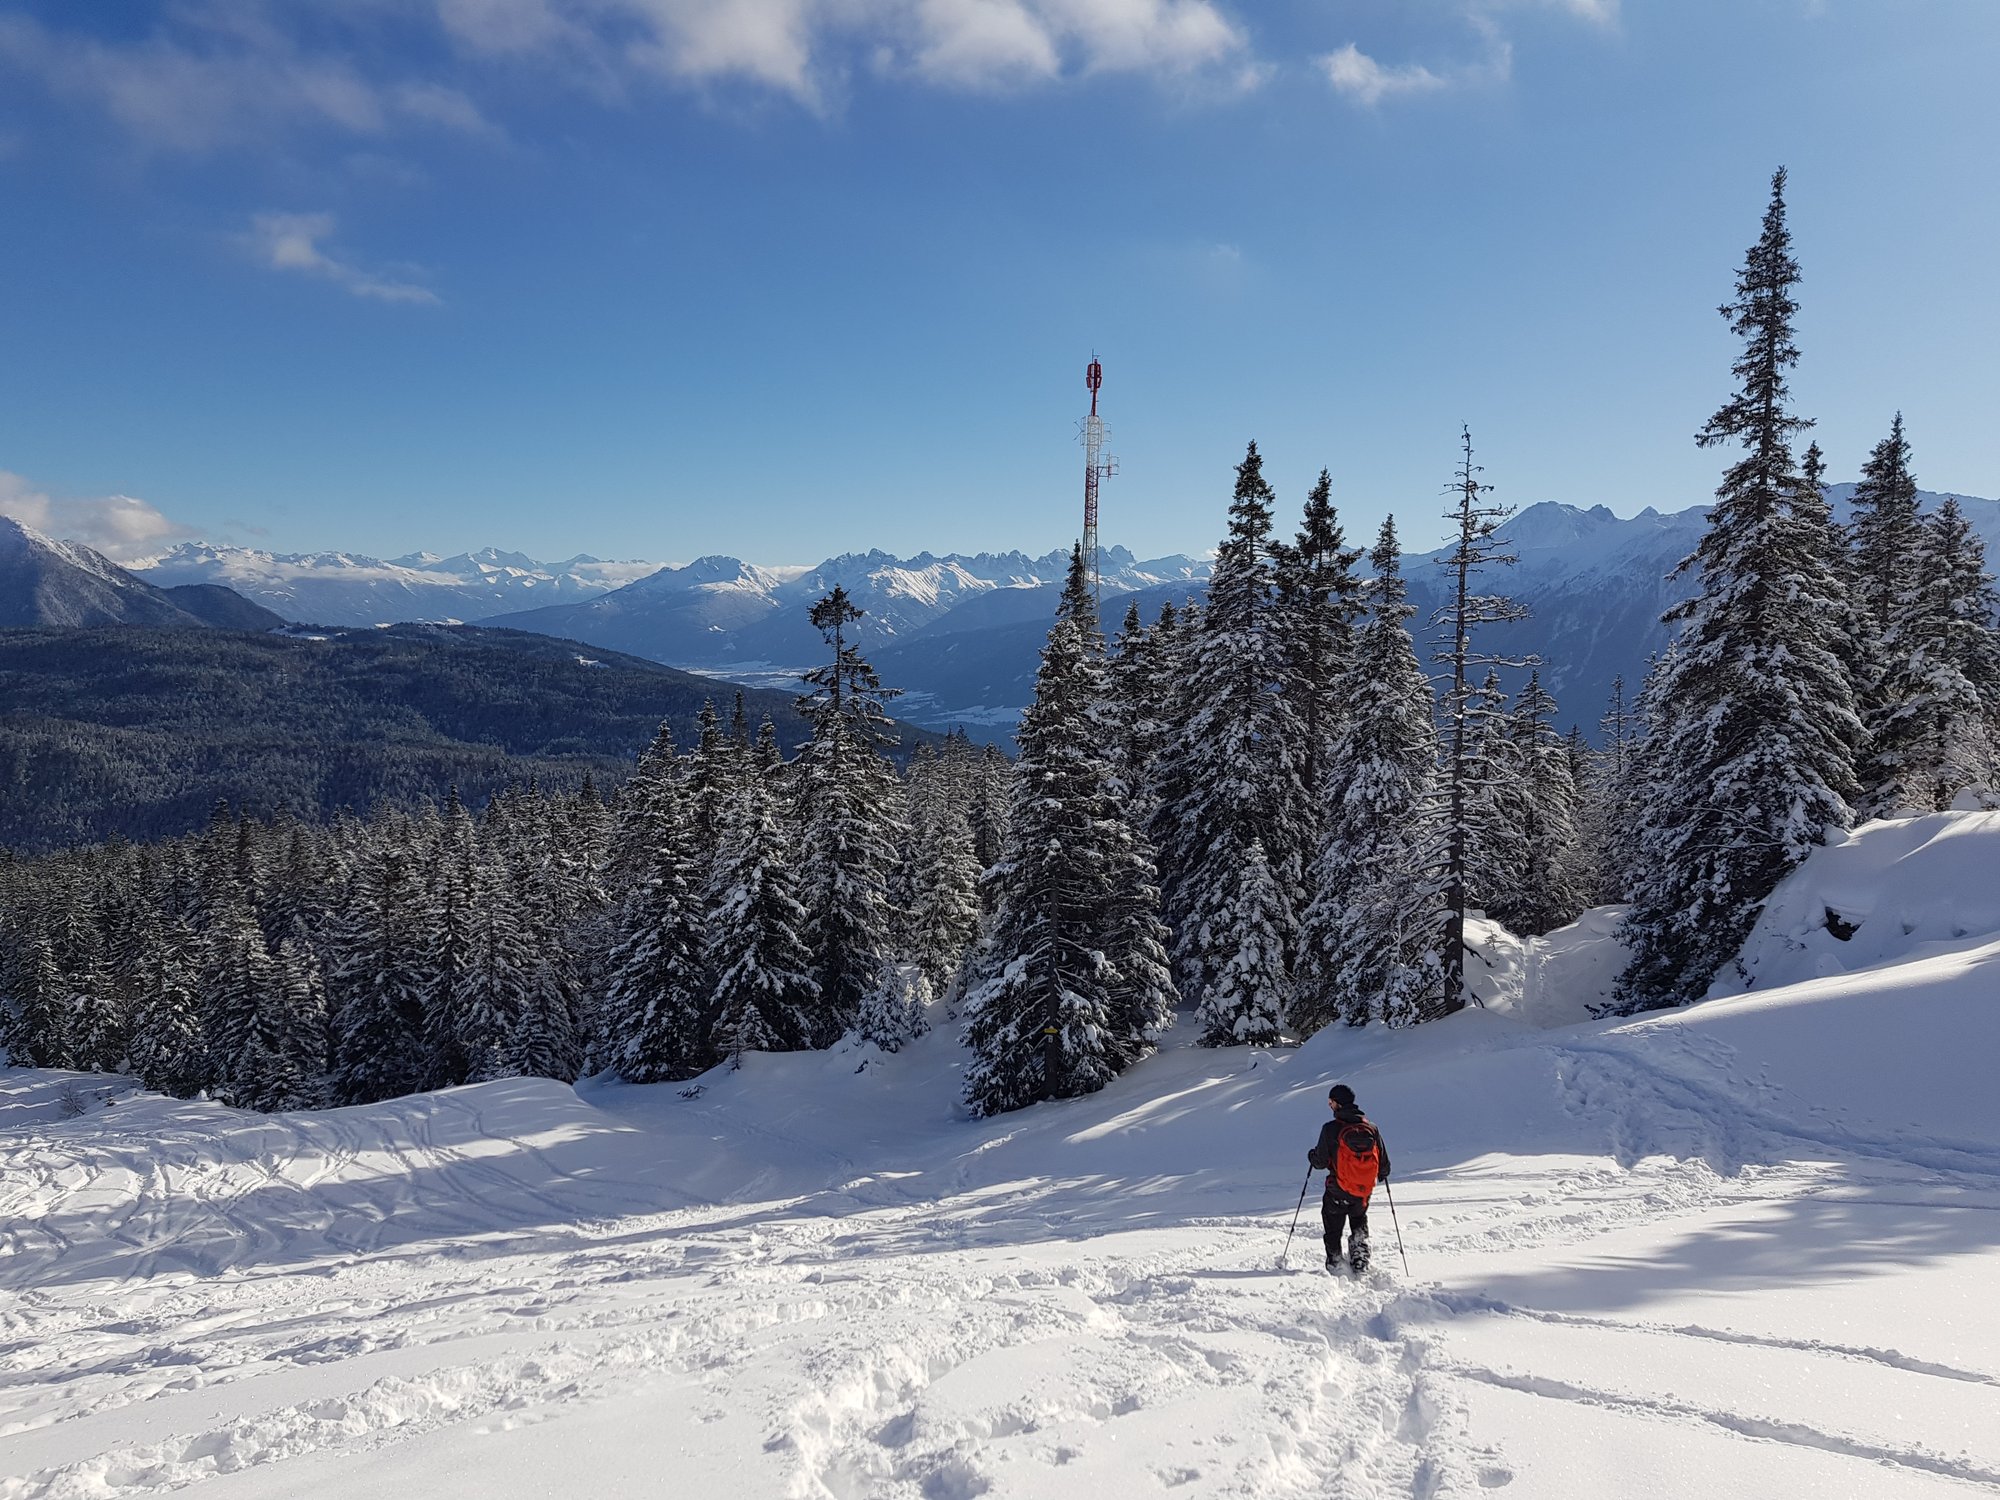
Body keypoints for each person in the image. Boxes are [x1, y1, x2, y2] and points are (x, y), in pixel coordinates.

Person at [1307, 1083, 1390, 1274]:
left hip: (1338, 1189)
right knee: (1358, 1219)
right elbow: (1384, 1166)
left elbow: (1320, 1162)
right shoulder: (1371, 1128)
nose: (1330, 1105)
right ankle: (1360, 1258)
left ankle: (1335, 1261)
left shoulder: (1330, 1129)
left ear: (1338, 1103)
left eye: (1331, 1102)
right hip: (1362, 1192)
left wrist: (1311, 1156)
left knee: (1333, 1226)